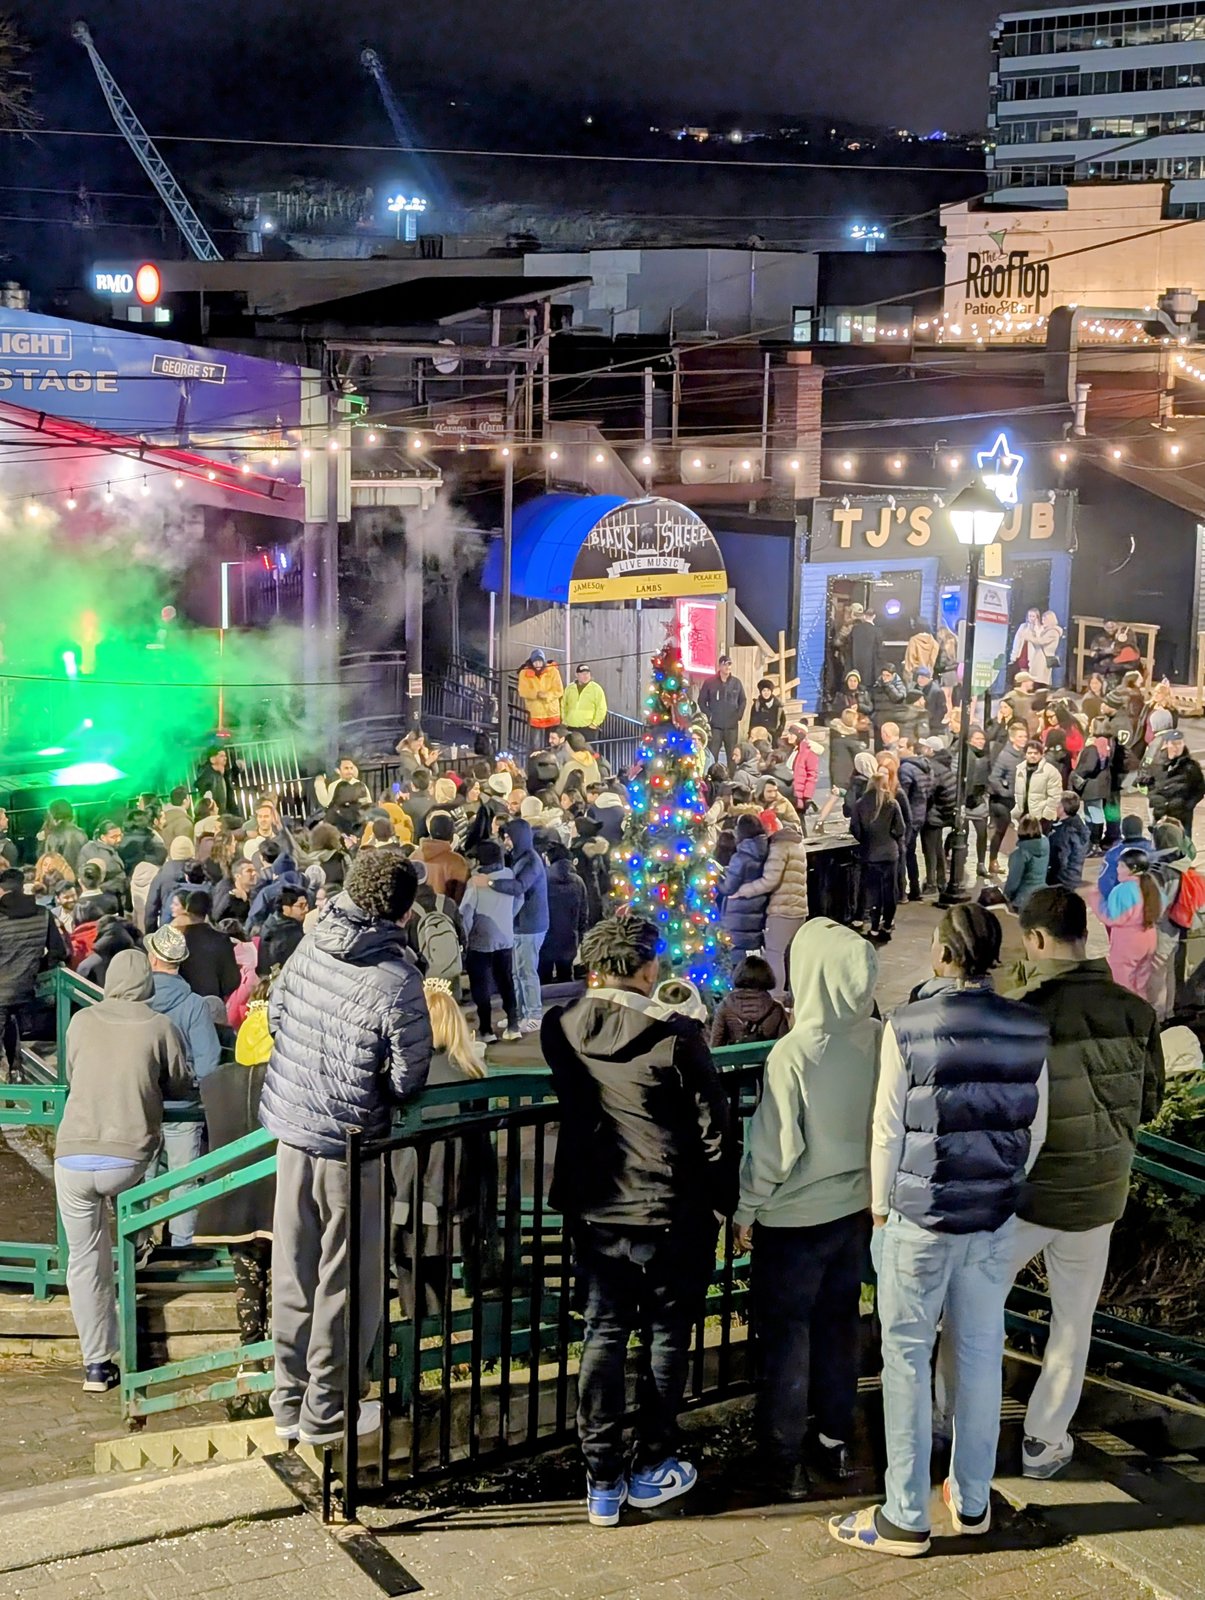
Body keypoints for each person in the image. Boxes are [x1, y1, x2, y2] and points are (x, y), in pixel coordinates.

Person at [830, 905, 1048, 1558]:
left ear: (945, 954)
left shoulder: (908, 1024)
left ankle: (904, 1516)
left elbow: (887, 1129)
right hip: (992, 1220)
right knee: (979, 1356)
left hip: (917, 1219)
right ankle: (972, 1501)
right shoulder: (1029, 1026)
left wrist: (879, 1209)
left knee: (906, 1361)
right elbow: (1034, 1130)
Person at [541, 915, 734, 1526]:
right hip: (672, 1206)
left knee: (603, 1332)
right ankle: (653, 1462)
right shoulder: (677, 1036)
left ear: (596, 967)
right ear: (649, 968)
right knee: (667, 1335)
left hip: (597, 1205)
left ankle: (601, 1476)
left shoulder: (559, 1026)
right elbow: (713, 1128)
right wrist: (723, 1202)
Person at [259, 850, 433, 1447]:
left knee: (294, 1269)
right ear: (403, 912)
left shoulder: (312, 943)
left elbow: (277, 1014)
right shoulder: (398, 978)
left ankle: (288, 1400)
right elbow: (409, 1078)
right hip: (351, 1143)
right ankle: (327, 1412)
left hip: (292, 1130)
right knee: (346, 1281)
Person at [1001, 889, 1164, 1478]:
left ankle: (950, 1416)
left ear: (1037, 940)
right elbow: (1150, 1104)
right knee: (1074, 1321)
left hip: (1029, 1195)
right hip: (1100, 1193)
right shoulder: (1136, 1012)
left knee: (973, 1305)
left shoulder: (1025, 1013)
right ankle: (1044, 1442)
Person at [734, 920, 879, 1497]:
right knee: (840, 1327)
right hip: (855, 1211)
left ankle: (784, 1458)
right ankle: (835, 1440)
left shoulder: (795, 1052)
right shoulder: (877, 1036)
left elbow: (775, 1148)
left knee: (787, 1337)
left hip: (794, 1220)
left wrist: (746, 1207)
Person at [54, 949, 191, 1392]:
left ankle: (97, 1364)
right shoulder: (159, 1025)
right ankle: (143, 1244)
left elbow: (72, 1074)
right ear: (147, 983)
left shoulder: (81, 1021)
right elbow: (181, 1082)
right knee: (127, 1222)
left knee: (84, 1259)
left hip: (72, 1154)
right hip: (127, 1156)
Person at [391, 978, 495, 1321]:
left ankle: (417, 1328)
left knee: (410, 1264)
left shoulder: (409, 1076)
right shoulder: (469, 1073)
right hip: (455, 1192)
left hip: (407, 1192)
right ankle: (437, 1328)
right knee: (436, 1271)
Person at [194, 974, 277, 1379]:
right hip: (279, 1195)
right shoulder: (288, 1082)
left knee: (246, 1278)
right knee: (286, 1277)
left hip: (231, 1197)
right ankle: (284, 1355)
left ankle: (251, 1355)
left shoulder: (214, 1083)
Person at [145, 923, 222, 1248]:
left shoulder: (138, 1002)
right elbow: (209, 1063)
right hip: (184, 1108)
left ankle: (137, 1243)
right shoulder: (194, 1005)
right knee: (184, 1179)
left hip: (143, 1104)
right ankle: (181, 1244)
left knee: (141, 1178)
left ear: (152, 959)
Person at [726, 818, 808, 998]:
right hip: (799, 908)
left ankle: (775, 997)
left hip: (782, 910)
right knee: (792, 957)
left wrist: (743, 891)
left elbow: (770, 881)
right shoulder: (796, 843)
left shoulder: (779, 848)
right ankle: (795, 997)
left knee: (774, 955)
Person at [0, 865, 68, 1075]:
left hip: (1, 990)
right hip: (28, 989)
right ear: (22, 887)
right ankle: (15, 1072)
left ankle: (10, 1078)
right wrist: (36, 969)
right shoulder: (43, 913)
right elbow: (58, 951)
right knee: (11, 1026)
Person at [459, 839, 522, 1042]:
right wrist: (508, 917)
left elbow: (466, 914)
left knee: (481, 986)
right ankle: (513, 1024)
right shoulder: (509, 875)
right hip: (505, 938)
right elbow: (519, 899)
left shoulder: (476, 883)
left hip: (481, 941)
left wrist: (465, 938)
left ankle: (486, 1030)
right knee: (506, 982)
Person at [1090, 848, 1162, 1000]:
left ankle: (1128, 1012)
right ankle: (1143, 1009)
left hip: (1128, 942)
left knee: (1123, 984)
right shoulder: (1152, 885)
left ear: (1133, 869)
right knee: (1141, 983)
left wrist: (1096, 899)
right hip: (1149, 937)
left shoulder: (1124, 890)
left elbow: (1112, 917)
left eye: (1121, 866)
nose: (1117, 869)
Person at [850, 770, 906, 941]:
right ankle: (887, 923)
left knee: (873, 891)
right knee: (890, 891)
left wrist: (865, 841)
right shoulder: (892, 803)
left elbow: (855, 829)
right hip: (889, 853)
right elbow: (900, 829)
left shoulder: (860, 804)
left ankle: (873, 926)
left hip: (870, 854)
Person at [718, 815, 771, 953]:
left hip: (738, 915)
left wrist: (715, 878)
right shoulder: (765, 851)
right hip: (757, 911)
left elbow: (728, 888)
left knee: (736, 956)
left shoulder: (740, 858)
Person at [709, 954, 789, 1046]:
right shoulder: (776, 1009)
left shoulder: (725, 1007)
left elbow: (715, 1045)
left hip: (736, 1055)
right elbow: (785, 1045)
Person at [176, 889, 241, 1000]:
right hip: (212, 1002)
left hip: (183, 1001)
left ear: (187, 909)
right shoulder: (222, 939)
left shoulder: (178, 939)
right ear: (208, 911)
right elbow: (232, 981)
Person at [540, 843, 587, 982]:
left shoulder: (543, 879)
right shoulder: (578, 881)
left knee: (543, 978)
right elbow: (583, 912)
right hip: (569, 937)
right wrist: (580, 936)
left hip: (545, 937)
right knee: (566, 976)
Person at [1146, 728, 1205, 834]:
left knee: (1183, 841)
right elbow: (1149, 784)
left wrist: (1187, 805)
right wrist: (1155, 799)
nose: (1177, 747)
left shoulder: (1191, 767)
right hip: (1160, 813)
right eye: (1173, 744)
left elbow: (1200, 789)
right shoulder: (1156, 764)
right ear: (1166, 744)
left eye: (1179, 743)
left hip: (1182, 816)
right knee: (1159, 840)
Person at [698, 655, 747, 767]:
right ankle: (712, 775)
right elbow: (701, 701)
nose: (727, 667)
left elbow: (743, 700)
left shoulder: (736, 683)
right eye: (724, 664)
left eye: (729, 664)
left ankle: (732, 776)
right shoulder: (710, 682)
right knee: (712, 755)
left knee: (732, 756)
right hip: (715, 726)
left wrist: (738, 715)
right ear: (719, 666)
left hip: (731, 726)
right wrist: (709, 716)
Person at [414, 812, 469, 903]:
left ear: (430, 831)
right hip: (444, 910)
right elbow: (461, 895)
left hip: (416, 909)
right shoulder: (457, 861)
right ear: (452, 833)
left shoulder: (414, 856)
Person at [257, 885, 309, 974]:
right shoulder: (291, 934)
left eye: (307, 904)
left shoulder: (269, 924)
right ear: (286, 908)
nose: (306, 909)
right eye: (301, 906)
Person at [1003, 814, 1050, 912]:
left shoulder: (1019, 854)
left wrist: (1006, 896)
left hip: (1023, 900)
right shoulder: (1046, 844)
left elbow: (1013, 881)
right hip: (1043, 894)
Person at [1014, 740, 1063, 833]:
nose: (1032, 755)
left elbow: (1055, 796)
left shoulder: (1051, 771)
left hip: (1041, 818)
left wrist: (1046, 816)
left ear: (1041, 754)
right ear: (1025, 754)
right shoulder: (1020, 770)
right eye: (1029, 753)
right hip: (1023, 816)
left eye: (1036, 753)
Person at [1047, 791, 1090, 890]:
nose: (1056, 806)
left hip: (1061, 880)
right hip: (1074, 876)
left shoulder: (1064, 831)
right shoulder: (1079, 824)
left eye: (1058, 804)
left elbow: (1061, 859)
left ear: (1062, 808)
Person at [517, 649, 565, 733]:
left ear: (544, 661)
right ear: (531, 662)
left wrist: (547, 695)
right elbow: (522, 691)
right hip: (535, 713)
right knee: (535, 741)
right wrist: (536, 694)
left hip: (552, 712)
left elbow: (559, 690)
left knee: (551, 739)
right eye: (535, 662)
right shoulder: (524, 673)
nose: (538, 664)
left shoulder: (553, 671)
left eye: (540, 661)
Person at [40, 800, 88, 868]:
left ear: (52, 814)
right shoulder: (81, 833)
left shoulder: (53, 835)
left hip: (62, 873)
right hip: (81, 872)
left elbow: (48, 861)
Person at [555, 731, 602, 797]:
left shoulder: (569, 766)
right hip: (592, 797)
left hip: (575, 799)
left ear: (568, 745)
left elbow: (558, 790)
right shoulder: (593, 761)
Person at [562, 664, 608, 732]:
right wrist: (564, 720)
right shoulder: (569, 688)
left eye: (587, 673)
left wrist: (595, 724)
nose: (586, 676)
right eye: (583, 674)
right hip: (570, 726)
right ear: (576, 675)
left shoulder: (596, 688)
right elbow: (563, 705)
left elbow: (601, 708)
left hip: (588, 727)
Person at [195, 748, 241, 815]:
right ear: (212, 759)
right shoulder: (207, 776)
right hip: (214, 815)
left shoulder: (223, 774)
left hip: (224, 814)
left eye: (225, 756)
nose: (225, 758)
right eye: (221, 756)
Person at [870, 665, 907, 735]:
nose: (885, 678)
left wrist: (888, 686)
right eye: (883, 675)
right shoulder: (877, 685)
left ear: (893, 675)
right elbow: (872, 701)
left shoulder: (900, 685)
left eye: (888, 675)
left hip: (893, 721)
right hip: (879, 722)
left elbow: (898, 698)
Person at [913, 667, 947, 738]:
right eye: (919, 677)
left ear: (929, 679)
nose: (920, 680)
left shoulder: (937, 691)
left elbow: (942, 710)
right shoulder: (915, 688)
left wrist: (933, 723)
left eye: (923, 678)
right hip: (917, 721)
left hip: (931, 724)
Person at [751, 678, 785, 743]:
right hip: (760, 736)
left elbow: (782, 720)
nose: (766, 693)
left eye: (768, 690)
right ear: (760, 692)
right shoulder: (757, 705)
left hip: (774, 736)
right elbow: (752, 721)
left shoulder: (777, 705)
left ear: (771, 691)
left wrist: (779, 732)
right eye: (764, 690)